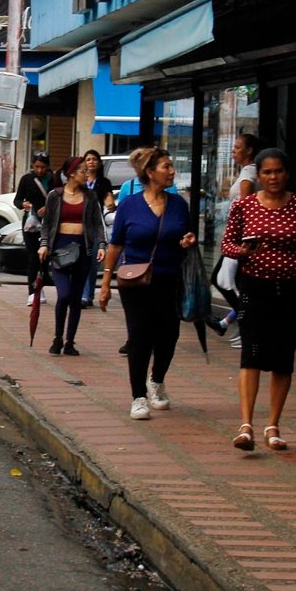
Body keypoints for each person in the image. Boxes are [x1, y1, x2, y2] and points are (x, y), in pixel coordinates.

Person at [221, 147, 296, 451]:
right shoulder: (244, 206)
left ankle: (273, 425)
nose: (273, 177)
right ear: (259, 175)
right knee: (251, 355)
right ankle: (246, 425)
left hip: (291, 292)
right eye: (267, 172)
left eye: (278, 171)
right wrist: (244, 252)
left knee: (283, 360)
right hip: (255, 290)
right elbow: (228, 244)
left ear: (287, 173)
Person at [97, 147, 196, 420]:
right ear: (150, 173)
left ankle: (157, 380)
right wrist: (105, 284)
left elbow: (185, 238)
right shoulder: (129, 205)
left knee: (169, 336)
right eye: (166, 166)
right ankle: (138, 396)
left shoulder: (179, 205)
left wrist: (186, 242)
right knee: (140, 337)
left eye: (172, 165)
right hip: (136, 282)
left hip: (169, 280)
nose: (172, 171)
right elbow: (116, 246)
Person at [41, 156, 107, 356]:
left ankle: (70, 341)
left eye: (87, 172)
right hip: (59, 249)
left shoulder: (90, 196)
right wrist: (44, 245)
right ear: (71, 174)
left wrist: (101, 244)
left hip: (83, 249)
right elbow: (47, 224)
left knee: (76, 298)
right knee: (64, 295)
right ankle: (57, 337)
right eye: (82, 171)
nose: (86, 175)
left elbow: (97, 223)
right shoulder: (55, 195)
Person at [214, 133, 264, 343]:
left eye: (237, 147)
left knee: (224, 280)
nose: (233, 151)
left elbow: (246, 207)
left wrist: (240, 238)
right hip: (239, 238)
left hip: (242, 239)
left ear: (249, 150)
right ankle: (238, 321)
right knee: (225, 280)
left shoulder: (248, 175)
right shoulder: (246, 172)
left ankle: (246, 321)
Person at [80, 149, 115, 307]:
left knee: (92, 262)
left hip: (96, 225)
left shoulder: (104, 182)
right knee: (80, 260)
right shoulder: (80, 180)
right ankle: (82, 293)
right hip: (79, 225)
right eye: (88, 159)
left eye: (94, 159)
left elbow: (109, 199)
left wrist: (110, 203)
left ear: (99, 163)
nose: (91, 162)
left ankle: (87, 295)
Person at [15, 153, 55, 279]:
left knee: (45, 255)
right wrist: (23, 204)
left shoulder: (54, 180)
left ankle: (42, 280)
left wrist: (49, 207)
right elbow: (17, 200)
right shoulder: (27, 179)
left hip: (49, 222)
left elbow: (60, 199)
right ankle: (33, 289)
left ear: (48, 166)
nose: (39, 170)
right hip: (31, 222)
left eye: (42, 167)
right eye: (36, 166)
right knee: (33, 255)